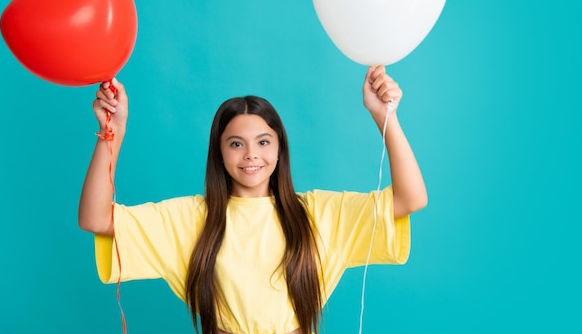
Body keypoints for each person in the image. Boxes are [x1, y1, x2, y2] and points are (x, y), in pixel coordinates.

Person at [79, 65, 427, 334]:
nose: (251, 155)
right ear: (219, 151)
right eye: (235, 143)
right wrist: (113, 132)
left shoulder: (319, 213)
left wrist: (386, 118)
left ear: (279, 148)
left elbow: (410, 199)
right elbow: (94, 219)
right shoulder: (189, 218)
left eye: (263, 142)